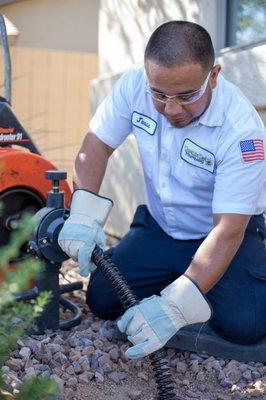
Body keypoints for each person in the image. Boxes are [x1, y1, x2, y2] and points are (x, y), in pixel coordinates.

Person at [58, 21, 266, 360]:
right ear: (146, 75)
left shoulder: (241, 130)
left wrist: (173, 308)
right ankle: (185, 290)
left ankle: (187, 296)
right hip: (160, 229)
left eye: (187, 96)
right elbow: (95, 145)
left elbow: (229, 229)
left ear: (213, 75)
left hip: (218, 236)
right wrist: (82, 213)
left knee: (247, 323)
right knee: (102, 298)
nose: (172, 109)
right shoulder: (133, 85)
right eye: (160, 95)